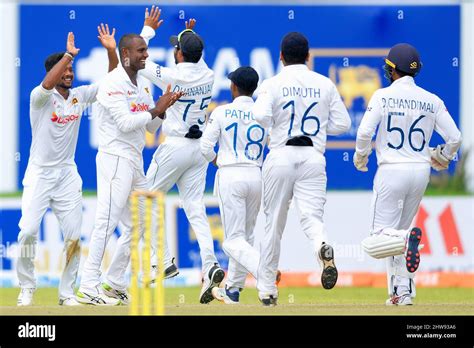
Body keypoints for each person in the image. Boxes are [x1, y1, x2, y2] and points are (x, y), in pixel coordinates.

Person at [76, 32, 183, 305]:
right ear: (126, 55)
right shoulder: (112, 83)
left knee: (142, 222)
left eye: (146, 50)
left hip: (134, 161)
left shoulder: (142, 84)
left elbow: (148, 127)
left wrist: (164, 109)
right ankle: (88, 285)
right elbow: (125, 123)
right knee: (106, 222)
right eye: (141, 51)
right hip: (114, 159)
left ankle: (113, 283)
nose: (146, 55)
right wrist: (155, 108)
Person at [16, 26, 119, 306]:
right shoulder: (40, 98)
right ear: (54, 71)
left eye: (72, 69)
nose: (70, 74)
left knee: (73, 237)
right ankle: (27, 287)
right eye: (66, 70)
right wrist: (67, 55)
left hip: (67, 175)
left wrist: (111, 51)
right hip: (39, 174)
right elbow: (47, 84)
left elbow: (111, 82)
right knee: (27, 231)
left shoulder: (79, 96)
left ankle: (66, 293)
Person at [354, 43, 462, 306]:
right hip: (420, 171)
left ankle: (406, 240)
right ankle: (402, 292)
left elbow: (365, 133)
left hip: (391, 170)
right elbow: (455, 137)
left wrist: (361, 156)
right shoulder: (432, 100)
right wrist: (443, 157)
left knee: (377, 239)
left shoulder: (381, 96)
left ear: (391, 70)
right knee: (396, 233)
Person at [252, 32, 351, 306]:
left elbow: (260, 115)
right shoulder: (324, 84)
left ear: (281, 56)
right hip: (313, 157)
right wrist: (319, 128)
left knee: (273, 225)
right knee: (312, 219)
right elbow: (343, 124)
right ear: (308, 56)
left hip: (281, 154)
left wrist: (275, 123)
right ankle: (322, 247)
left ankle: (268, 289)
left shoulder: (272, 83)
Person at [137, 7, 224, 304]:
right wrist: (190, 37)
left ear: (179, 54)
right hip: (198, 150)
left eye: (176, 47)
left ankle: (162, 261)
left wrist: (147, 31)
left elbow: (139, 60)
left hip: (175, 145)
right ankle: (210, 263)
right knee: (195, 208)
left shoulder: (172, 76)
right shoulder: (209, 74)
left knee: (145, 198)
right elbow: (196, 57)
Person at [200, 67, 266, 304]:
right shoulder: (263, 113)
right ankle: (233, 289)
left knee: (232, 240)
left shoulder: (222, 112)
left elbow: (205, 147)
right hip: (256, 174)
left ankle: (264, 272)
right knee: (245, 238)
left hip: (230, 173)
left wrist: (218, 161)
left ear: (234, 87)